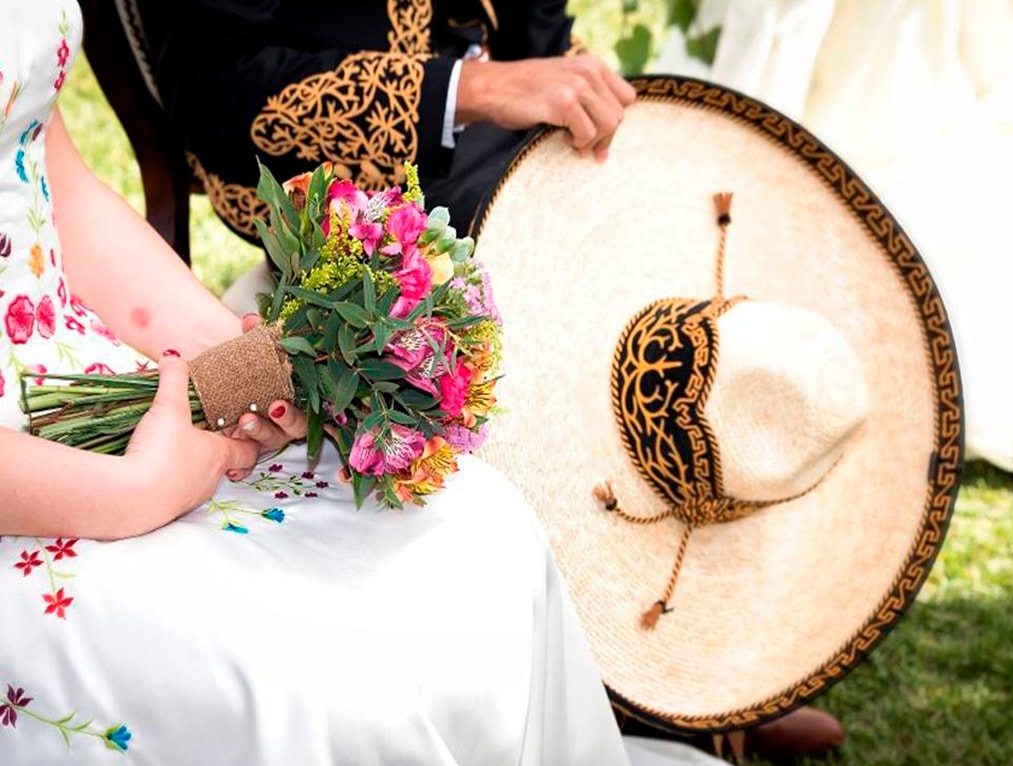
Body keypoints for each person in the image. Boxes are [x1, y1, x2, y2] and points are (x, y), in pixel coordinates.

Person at [0, 2, 725, 764]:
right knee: (328, 681)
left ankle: (682, 675)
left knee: (482, 529)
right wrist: (137, 491)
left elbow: (55, 184)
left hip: (79, 373)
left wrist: (243, 361)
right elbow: (222, 88)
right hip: (39, 476)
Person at [133, 0, 637, 241]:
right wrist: (472, 89)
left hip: (494, 104)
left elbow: (534, 28)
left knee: (647, 199)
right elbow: (215, 91)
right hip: (336, 174)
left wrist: (555, 68)